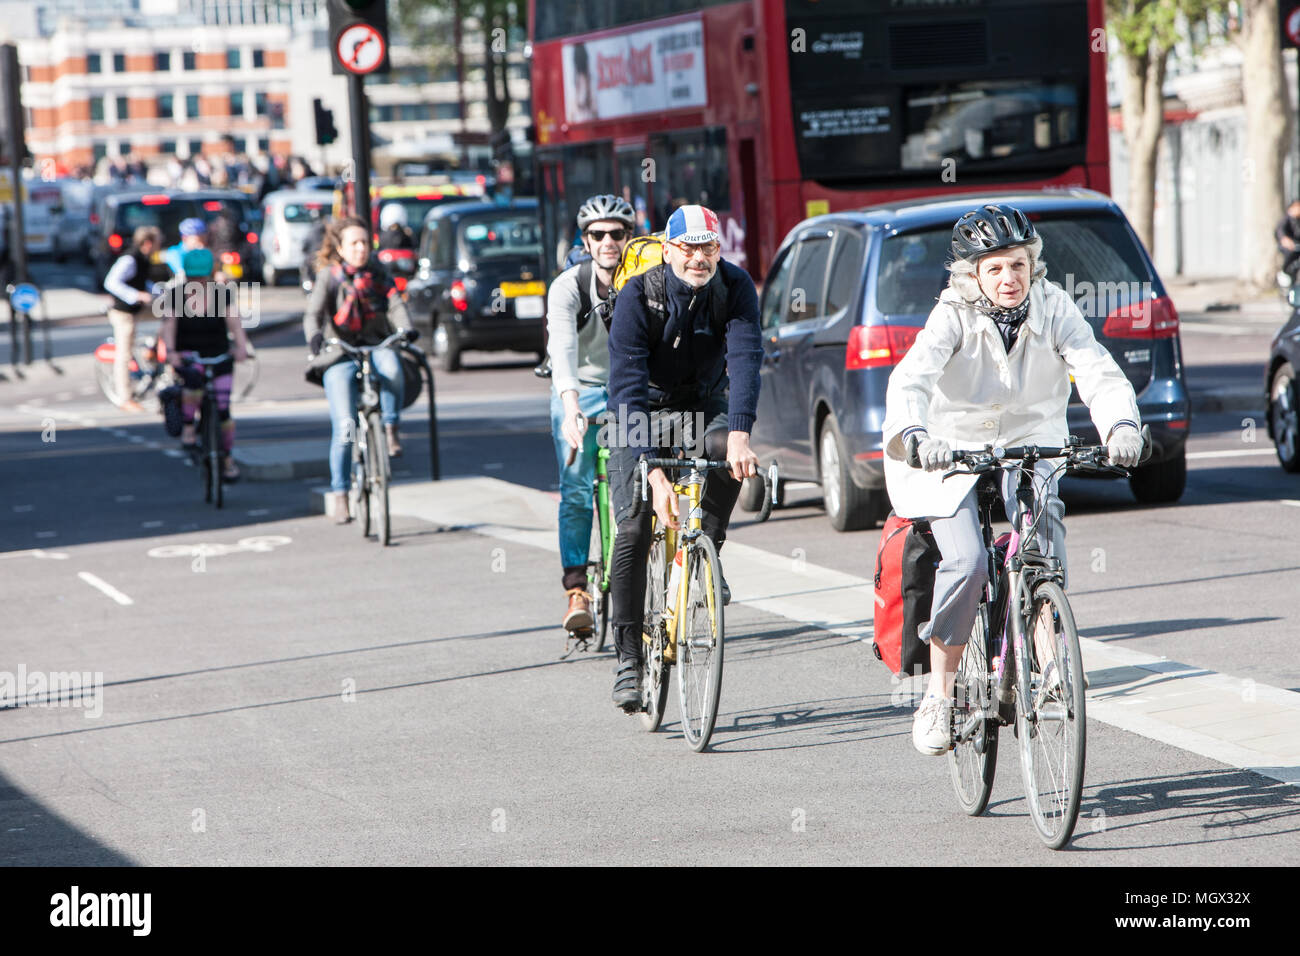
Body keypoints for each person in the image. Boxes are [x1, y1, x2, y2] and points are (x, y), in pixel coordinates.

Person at [880, 203, 1144, 757]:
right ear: (972, 273)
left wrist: (1121, 425)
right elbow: (912, 380)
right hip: (950, 452)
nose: (1009, 278)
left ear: (1033, 265)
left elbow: (1096, 369)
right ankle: (939, 692)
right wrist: (916, 434)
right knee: (970, 563)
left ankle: (1049, 666)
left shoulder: (1054, 305)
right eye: (995, 267)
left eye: (1019, 265)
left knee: (1043, 550)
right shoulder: (951, 314)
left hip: (1031, 442)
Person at [604, 203, 763, 710]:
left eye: (709, 247)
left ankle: (707, 551)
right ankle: (628, 657)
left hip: (703, 404)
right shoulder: (637, 295)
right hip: (640, 410)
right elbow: (625, 388)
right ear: (670, 249)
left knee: (726, 453)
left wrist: (740, 434)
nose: (699, 257)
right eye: (689, 247)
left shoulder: (735, 288)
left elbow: (745, 359)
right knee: (631, 525)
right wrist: (652, 470)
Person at [546, 194, 634, 633]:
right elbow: (561, 349)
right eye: (597, 234)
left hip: (629, 393)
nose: (607, 242)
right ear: (586, 240)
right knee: (578, 487)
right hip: (578, 389)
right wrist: (570, 406)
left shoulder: (645, 280)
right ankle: (577, 589)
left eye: (616, 233)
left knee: (641, 483)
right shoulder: (568, 286)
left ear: (629, 237)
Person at [302, 216, 412, 524]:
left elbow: (395, 305)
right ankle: (340, 494)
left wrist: (406, 329)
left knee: (392, 369)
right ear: (340, 247)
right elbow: (313, 314)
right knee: (345, 427)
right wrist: (314, 338)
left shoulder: (379, 272)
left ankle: (390, 427)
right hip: (341, 350)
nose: (361, 249)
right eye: (354, 243)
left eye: (365, 242)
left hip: (375, 343)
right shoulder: (330, 276)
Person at [159, 247, 251, 481]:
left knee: (223, 410)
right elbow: (169, 325)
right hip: (189, 354)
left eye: (201, 277)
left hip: (218, 352)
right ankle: (189, 427)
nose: (197, 282)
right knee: (193, 381)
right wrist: (171, 352)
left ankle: (228, 459)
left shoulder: (222, 294)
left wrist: (241, 348)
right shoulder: (176, 295)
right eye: (192, 277)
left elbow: (235, 323)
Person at [103, 225, 164, 411]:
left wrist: (161, 291)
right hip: (122, 312)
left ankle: (152, 349)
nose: (159, 247)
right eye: (157, 243)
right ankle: (125, 398)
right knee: (124, 354)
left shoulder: (143, 259)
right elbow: (111, 282)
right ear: (148, 243)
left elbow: (142, 280)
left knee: (170, 317)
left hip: (136, 309)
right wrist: (135, 295)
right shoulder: (129, 259)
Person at [1275, 200, 1300, 287]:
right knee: (1290, 256)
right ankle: (1285, 272)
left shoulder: (1298, 220)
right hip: (1289, 248)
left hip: (1297, 246)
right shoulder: (1286, 220)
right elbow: (1280, 231)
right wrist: (1285, 240)